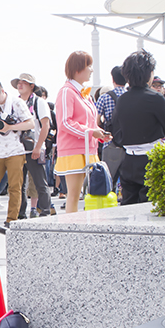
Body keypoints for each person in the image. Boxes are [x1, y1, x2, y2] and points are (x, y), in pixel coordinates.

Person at [111, 50, 165, 204]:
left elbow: (116, 131)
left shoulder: (121, 100)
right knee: (150, 206)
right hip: (152, 159)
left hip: (128, 160)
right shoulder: (156, 97)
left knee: (128, 206)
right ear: (149, 74)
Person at [55, 51, 110, 213]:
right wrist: (91, 132)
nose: (91, 70)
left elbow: (89, 122)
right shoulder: (67, 91)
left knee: (87, 195)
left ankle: (80, 225)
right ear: (78, 69)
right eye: (88, 66)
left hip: (87, 149)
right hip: (74, 150)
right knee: (74, 196)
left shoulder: (84, 93)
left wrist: (99, 134)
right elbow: (65, 122)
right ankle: (71, 227)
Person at [0, 79, 34, 226]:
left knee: (15, 187)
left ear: (3, 91)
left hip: (15, 150)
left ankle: (11, 220)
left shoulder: (16, 103)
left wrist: (9, 127)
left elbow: (30, 123)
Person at [13, 72, 52, 218]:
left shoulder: (38, 102)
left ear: (31, 86)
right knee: (19, 184)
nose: (20, 85)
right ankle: (20, 213)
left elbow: (45, 125)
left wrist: (38, 147)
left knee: (40, 182)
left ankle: (45, 211)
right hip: (18, 149)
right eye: (18, 82)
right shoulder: (15, 102)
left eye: (23, 82)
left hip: (35, 148)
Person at [96, 65, 126, 187]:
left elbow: (96, 121)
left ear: (113, 79)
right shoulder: (131, 95)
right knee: (127, 184)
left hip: (110, 142)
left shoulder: (105, 97)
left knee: (108, 180)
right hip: (130, 144)